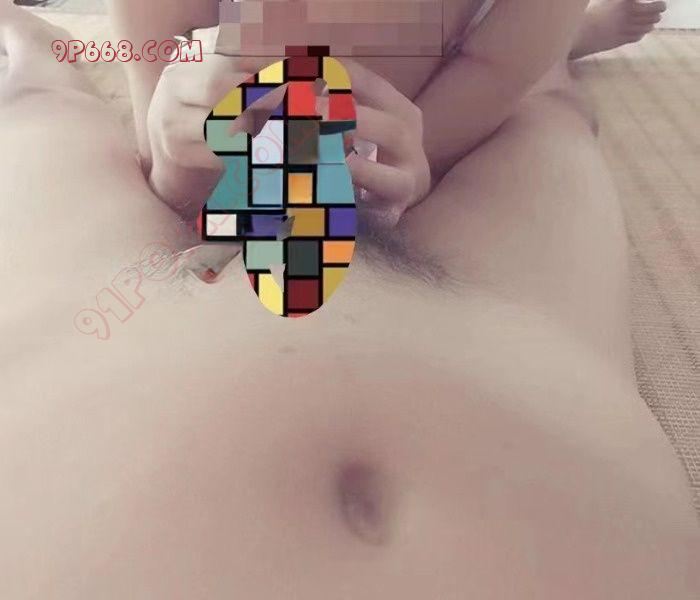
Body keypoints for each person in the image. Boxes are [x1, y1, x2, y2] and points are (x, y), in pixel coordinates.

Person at [1, 0, 696, 598]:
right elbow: (172, 162)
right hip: (169, 275)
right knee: (40, 111)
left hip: (478, 287)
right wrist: (183, 151)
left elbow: (475, 98)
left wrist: (408, 163)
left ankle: (553, 56)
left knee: (547, 117)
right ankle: (33, 48)